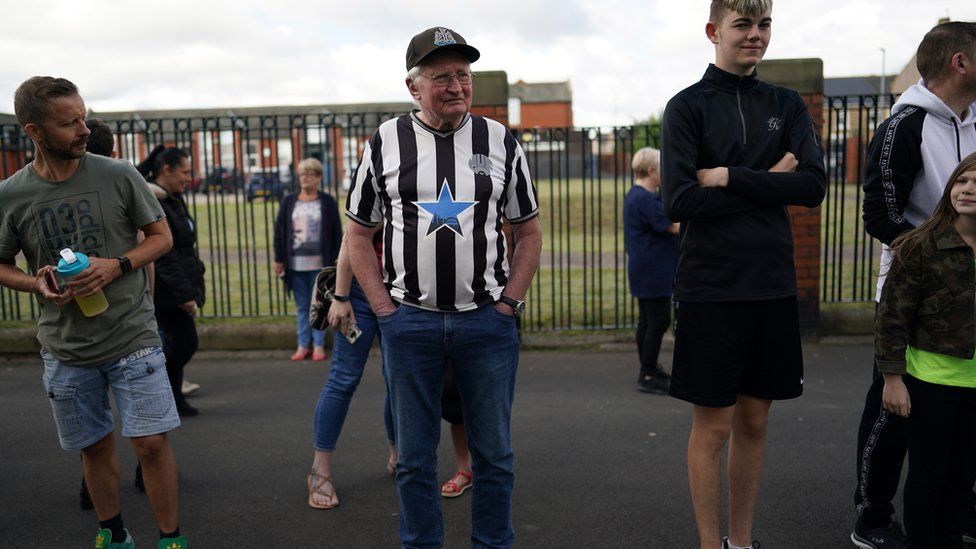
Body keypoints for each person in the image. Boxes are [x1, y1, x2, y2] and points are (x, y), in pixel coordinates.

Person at [345, 26, 542, 548]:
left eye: (464, 75)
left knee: (494, 455)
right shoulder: (384, 142)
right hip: (410, 322)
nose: (456, 86)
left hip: (488, 322)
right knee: (413, 458)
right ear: (414, 86)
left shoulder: (500, 141)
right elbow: (358, 234)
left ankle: (493, 543)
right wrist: (384, 309)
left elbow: (528, 230)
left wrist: (510, 303)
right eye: (442, 77)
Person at [659, 1, 827, 547]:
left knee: (755, 422)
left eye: (764, 25)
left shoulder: (786, 103)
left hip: (773, 285)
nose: (755, 36)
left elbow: (813, 186)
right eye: (743, 25)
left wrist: (730, 177)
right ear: (714, 31)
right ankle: (711, 544)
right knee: (713, 427)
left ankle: (741, 540)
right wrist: (768, 177)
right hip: (711, 287)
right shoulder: (686, 107)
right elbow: (680, 201)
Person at [0, 76, 187, 548]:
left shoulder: (118, 174)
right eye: (69, 123)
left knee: (150, 443)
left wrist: (116, 265)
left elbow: (161, 238)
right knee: (95, 445)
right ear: (34, 131)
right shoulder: (11, 194)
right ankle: (115, 534)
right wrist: (33, 282)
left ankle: (170, 540)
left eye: (84, 116)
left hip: (132, 336)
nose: (84, 129)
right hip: (65, 348)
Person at [856, 21, 976, 549]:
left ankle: (959, 512)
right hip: (915, 289)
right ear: (961, 63)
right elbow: (879, 214)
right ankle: (873, 517)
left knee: (962, 417)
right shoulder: (903, 125)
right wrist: (935, 257)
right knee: (894, 408)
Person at [875, 151, 976, 549]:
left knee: (961, 481)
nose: (968, 190)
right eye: (963, 181)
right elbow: (891, 317)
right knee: (928, 479)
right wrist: (892, 379)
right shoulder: (919, 246)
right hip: (929, 385)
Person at [307, 229, 396, 510]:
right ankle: (319, 472)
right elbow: (353, 234)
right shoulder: (376, 181)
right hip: (359, 291)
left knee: (399, 381)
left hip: (403, 294)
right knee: (343, 380)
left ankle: (399, 456)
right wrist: (341, 296)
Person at [137, 146, 206, 418]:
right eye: (185, 172)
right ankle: (157, 391)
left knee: (176, 344)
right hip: (167, 292)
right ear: (167, 170)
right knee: (184, 343)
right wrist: (184, 294)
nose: (188, 178)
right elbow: (166, 256)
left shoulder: (172, 198)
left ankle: (174, 400)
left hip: (181, 285)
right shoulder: (156, 202)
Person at [273, 158, 342, 361]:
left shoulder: (327, 201)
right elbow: (279, 232)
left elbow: (336, 233)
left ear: (319, 178)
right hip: (295, 264)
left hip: (320, 264)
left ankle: (319, 346)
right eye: (302, 174)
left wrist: (337, 260)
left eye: (310, 174)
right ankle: (303, 345)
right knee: (302, 306)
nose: (305, 178)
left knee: (319, 305)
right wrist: (278, 259)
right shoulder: (289, 201)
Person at [623, 146, 679, 395]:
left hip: (643, 267)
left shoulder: (636, 195)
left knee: (647, 320)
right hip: (653, 269)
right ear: (652, 171)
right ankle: (647, 373)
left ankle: (649, 367)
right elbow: (673, 227)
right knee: (658, 320)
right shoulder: (645, 199)